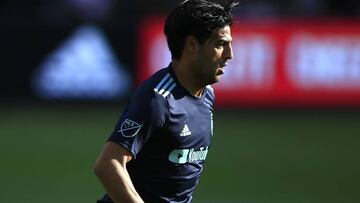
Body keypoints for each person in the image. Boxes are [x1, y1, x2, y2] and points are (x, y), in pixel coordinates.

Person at [94, 0, 238, 202]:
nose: (230, 55)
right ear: (191, 45)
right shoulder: (157, 99)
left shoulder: (207, 95)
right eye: (220, 44)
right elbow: (109, 163)